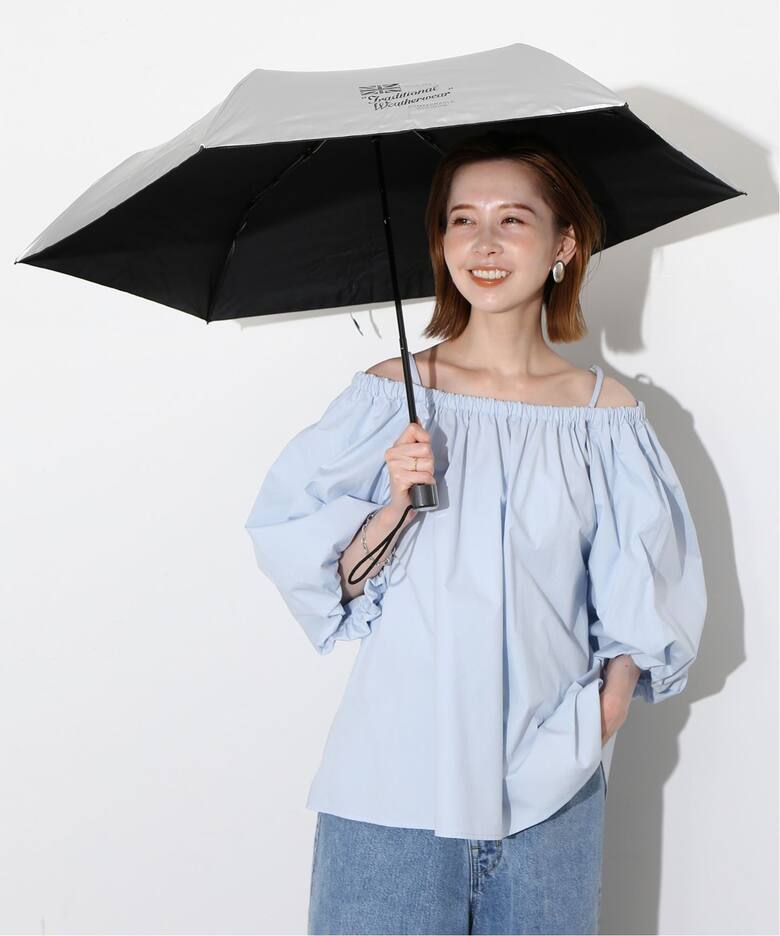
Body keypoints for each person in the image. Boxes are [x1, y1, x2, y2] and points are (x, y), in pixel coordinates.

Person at [244, 131, 707, 935]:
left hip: (549, 792)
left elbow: (641, 592)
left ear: (564, 244)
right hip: (391, 790)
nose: (484, 244)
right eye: (462, 220)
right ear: (440, 243)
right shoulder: (390, 397)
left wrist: (601, 717)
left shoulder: (604, 416)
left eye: (512, 220)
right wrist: (395, 501)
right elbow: (328, 582)